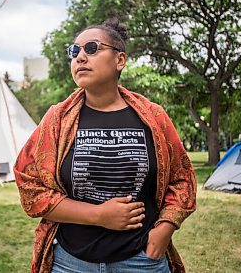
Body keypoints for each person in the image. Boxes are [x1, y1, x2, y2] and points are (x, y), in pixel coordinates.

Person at [14, 18, 196, 273]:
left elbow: (182, 178)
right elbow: (29, 185)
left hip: (141, 260)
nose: (80, 57)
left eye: (91, 48)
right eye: (74, 51)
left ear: (119, 60)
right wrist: (99, 215)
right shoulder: (57, 120)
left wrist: (166, 228)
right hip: (70, 263)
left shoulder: (153, 117)